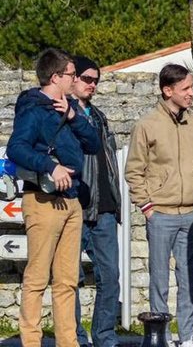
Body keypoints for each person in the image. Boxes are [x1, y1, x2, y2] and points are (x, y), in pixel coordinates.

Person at [7, 48, 100, 347]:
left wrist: (74, 117)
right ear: (56, 76)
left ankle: (67, 342)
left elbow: (94, 144)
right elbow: (16, 148)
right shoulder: (33, 109)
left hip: (71, 200)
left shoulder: (70, 108)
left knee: (67, 280)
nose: (75, 79)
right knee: (37, 278)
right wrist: (50, 165)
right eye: (72, 74)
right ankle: (31, 341)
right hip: (44, 201)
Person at [125, 63, 193, 347]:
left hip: (191, 213)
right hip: (160, 213)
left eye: (192, 87)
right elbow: (134, 170)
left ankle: (187, 336)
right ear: (167, 90)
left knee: (189, 279)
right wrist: (147, 207)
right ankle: (159, 334)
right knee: (159, 278)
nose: (192, 93)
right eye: (186, 88)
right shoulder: (147, 125)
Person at [71, 56, 122, 347]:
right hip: (75, 205)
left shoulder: (100, 116)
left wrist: (114, 202)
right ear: (72, 78)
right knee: (71, 279)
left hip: (103, 208)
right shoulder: (62, 114)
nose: (92, 84)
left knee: (110, 277)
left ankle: (104, 337)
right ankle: (75, 338)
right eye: (87, 79)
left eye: (95, 80)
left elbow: (109, 162)